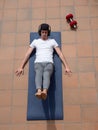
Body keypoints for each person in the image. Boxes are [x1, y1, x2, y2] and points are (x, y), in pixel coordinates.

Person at [15, 23, 72, 100]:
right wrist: (21, 67)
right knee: (38, 73)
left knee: (46, 74)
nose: (44, 34)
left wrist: (67, 67)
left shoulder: (52, 41)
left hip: (49, 63)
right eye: (43, 32)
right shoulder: (35, 41)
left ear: (48, 32)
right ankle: (39, 91)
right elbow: (28, 53)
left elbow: (60, 53)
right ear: (40, 32)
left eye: (46, 32)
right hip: (38, 63)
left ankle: (44, 91)